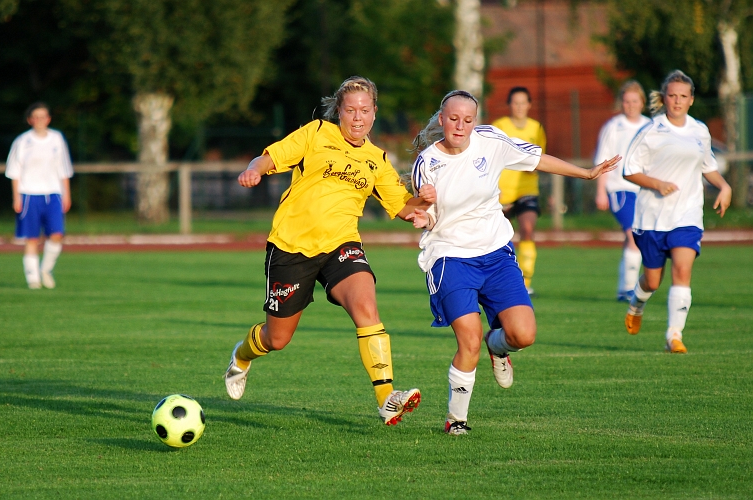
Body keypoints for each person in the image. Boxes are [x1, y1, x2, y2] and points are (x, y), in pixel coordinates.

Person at [223, 76, 434, 426]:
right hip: (291, 246)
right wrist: (253, 170)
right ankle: (242, 356)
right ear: (339, 111)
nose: (357, 117)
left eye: (364, 110)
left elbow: (402, 205)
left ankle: (386, 398)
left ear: (374, 112)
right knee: (277, 339)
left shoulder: (376, 159)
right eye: (350, 110)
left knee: (366, 307)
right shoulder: (317, 132)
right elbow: (272, 157)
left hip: (341, 245)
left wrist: (422, 203)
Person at [410, 90, 620, 435]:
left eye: (467, 120)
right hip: (450, 256)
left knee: (523, 334)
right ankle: (456, 420)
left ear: (475, 121)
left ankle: (498, 347)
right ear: (442, 119)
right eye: (453, 119)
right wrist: (423, 216)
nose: (460, 126)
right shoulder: (427, 163)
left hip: (495, 253)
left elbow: (537, 159)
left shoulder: (491, 140)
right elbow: (426, 213)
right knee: (469, 341)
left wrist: (586, 173)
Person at [622, 70, 731, 354]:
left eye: (683, 96)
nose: (678, 101)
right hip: (652, 217)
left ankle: (674, 335)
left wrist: (723, 186)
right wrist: (657, 184)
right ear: (664, 98)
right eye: (672, 95)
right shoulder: (651, 131)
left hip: (687, 215)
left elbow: (708, 166)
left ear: (691, 99)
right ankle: (637, 304)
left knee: (682, 270)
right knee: (652, 281)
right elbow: (629, 171)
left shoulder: (700, 131)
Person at [5, 102, 73, 289]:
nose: (40, 120)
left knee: (56, 234)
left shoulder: (57, 139)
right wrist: (16, 197)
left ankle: (46, 269)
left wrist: (67, 194)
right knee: (32, 238)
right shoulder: (22, 141)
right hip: (29, 194)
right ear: (30, 120)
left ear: (48, 119)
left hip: (53, 193)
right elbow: (14, 171)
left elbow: (64, 169)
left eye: (43, 117)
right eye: (36, 117)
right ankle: (33, 279)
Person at [594, 80, 651, 301]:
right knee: (632, 234)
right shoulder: (613, 126)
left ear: (642, 103)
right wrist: (601, 191)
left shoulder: (650, 126)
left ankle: (623, 289)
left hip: (644, 189)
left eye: (635, 101)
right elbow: (603, 160)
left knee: (638, 237)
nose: (630, 105)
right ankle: (629, 289)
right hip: (620, 189)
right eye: (626, 101)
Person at [491, 87, 547, 295]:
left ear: (529, 105)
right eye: (515, 103)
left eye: (523, 103)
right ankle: (497, 280)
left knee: (528, 229)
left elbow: (541, 158)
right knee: (496, 238)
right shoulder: (499, 127)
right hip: (501, 191)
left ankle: (525, 283)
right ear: (509, 105)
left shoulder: (536, 128)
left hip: (527, 189)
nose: (519, 107)